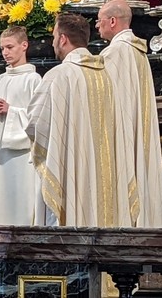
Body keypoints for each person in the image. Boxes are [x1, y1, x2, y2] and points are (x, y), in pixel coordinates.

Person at [26, 13, 136, 227]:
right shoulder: (109, 78)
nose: (52, 42)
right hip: (109, 181)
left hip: (70, 175)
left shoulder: (59, 76)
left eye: (54, 36)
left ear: (63, 39)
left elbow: (36, 123)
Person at [97, 0, 162, 228]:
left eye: (99, 21)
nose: (97, 27)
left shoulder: (115, 53)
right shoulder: (138, 52)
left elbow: (105, 103)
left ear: (112, 21)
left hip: (122, 139)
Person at [0, 26, 41, 225]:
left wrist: (11, 111)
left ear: (24, 46)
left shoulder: (34, 80)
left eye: (10, 47)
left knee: (20, 199)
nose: (5, 52)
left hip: (21, 155)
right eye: (3, 48)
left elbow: (38, 118)